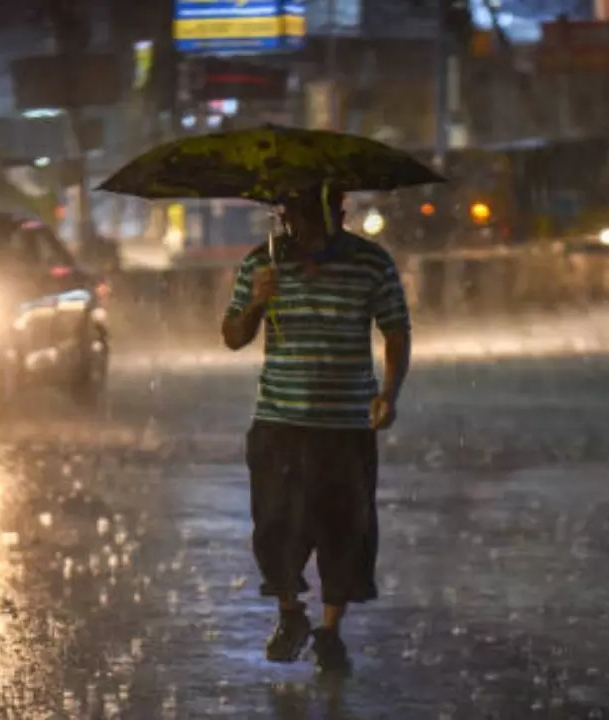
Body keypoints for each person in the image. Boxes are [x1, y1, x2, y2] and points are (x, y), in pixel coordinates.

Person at [221, 184, 412, 675]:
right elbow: (233, 338)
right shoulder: (260, 264)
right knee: (276, 528)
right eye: (293, 214)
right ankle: (291, 614)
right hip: (279, 422)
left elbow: (395, 329)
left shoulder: (371, 263)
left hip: (345, 425)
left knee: (343, 531)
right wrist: (256, 303)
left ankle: (330, 631)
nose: (301, 225)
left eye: (312, 213)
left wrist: (388, 393)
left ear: (338, 211)